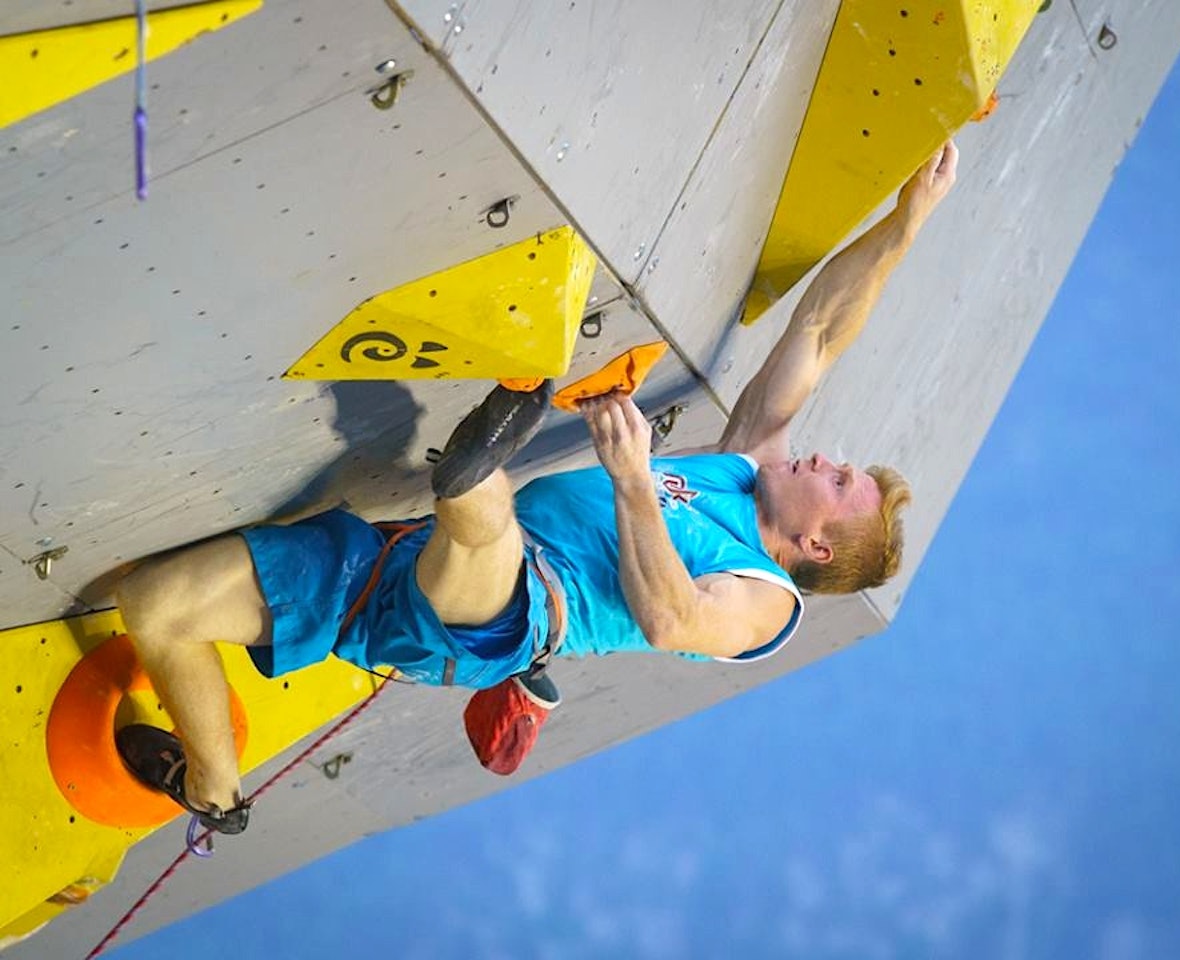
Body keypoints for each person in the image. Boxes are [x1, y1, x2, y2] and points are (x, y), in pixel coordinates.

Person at [114, 142, 959, 834]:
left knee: (485, 521)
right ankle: (216, 798)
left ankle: (490, 444)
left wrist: (633, 481)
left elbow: (672, 620)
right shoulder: (745, 464)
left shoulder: (771, 603)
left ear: (816, 546)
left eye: (839, 480)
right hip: (382, 570)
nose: (824, 460)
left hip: (501, 618)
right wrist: (904, 228)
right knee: (152, 604)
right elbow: (818, 331)